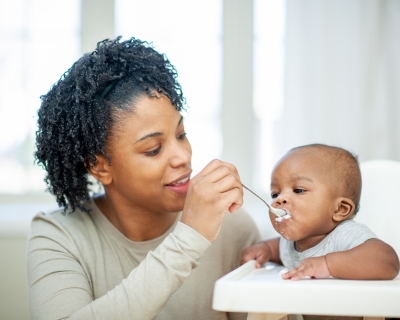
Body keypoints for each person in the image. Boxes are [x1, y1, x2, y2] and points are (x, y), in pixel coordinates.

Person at [27, 36, 261, 320]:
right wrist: (190, 238)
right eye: (153, 149)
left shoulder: (231, 224)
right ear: (100, 167)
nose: (183, 156)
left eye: (181, 135)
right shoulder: (59, 236)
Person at [241, 143, 399, 282]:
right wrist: (264, 250)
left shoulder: (345, 234)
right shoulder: (289, 243)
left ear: (340, 209)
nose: (280, 199)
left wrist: (327, 264)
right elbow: (277, 247)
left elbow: (388, 260)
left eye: (299, 190)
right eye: (275, 194)